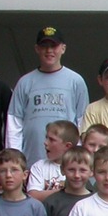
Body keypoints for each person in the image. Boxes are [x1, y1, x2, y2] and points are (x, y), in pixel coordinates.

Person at [8, 27, 89, 167]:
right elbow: (14, 125)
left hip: (66, 165)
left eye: (54, 46)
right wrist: (14, 161)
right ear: (36, 49)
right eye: (44, 46)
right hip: (31, 161)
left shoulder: (76, 81)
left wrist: (78, 159)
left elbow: (82, 123)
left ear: (63, 48)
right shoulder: (24, 82)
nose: (49, 50)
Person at [27, 120, 79, 202]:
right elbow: (33, 196)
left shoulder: (79, 168)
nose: (45, 143)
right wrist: (64, 191)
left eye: (51, 140)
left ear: (68, 146)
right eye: (46, 138)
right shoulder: (39, 166)